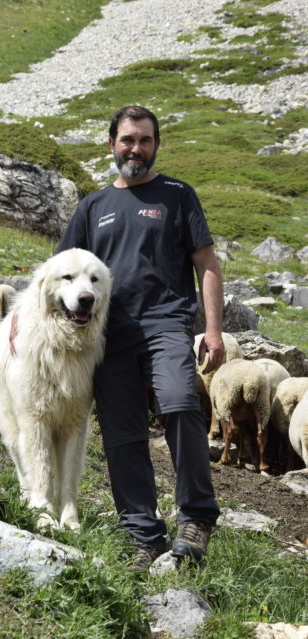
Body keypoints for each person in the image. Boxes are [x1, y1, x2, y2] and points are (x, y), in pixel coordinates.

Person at [16, 104, 225, 568]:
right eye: (128, 139)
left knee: (178, 402)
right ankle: (142, 532)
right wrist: (20, 326)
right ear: (112, 143)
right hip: (106, 336)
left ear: (156, 145)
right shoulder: (92, 207)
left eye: (145, 140)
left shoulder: (177, 194)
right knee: (121, 433)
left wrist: (212, 329)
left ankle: (196, 515)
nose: (136, 148)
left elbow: (207, 263)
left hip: (166, 323)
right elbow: (57, 273)